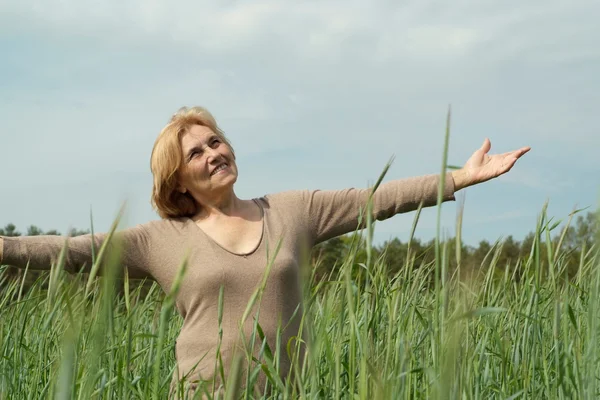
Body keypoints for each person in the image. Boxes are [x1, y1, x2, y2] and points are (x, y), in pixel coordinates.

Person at [0, 106, 531, 397]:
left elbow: (376, 199)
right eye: (196, 152)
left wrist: (460, 177)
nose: (214, 153)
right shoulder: (158, 241)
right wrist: (3, 247)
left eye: (216, 142)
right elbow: (72, 252)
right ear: (178, 181)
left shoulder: (290, 211)